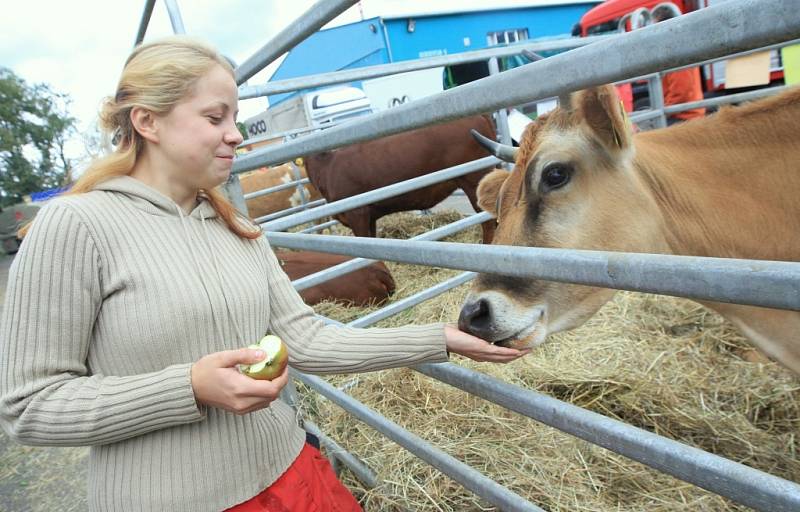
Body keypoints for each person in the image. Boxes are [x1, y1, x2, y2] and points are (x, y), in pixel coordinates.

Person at [0, 36, 528, 511]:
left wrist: (442, 338)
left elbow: (304, 339)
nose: (235, 136)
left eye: (235, 118)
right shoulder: (75, 226)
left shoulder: (235, 225)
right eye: (215, 118)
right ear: (147, 121)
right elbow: (28, 407)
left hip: (293, 478)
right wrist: (188, 388)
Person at [651, 5, 707, 125]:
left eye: (654, 26)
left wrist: (664, 110)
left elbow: (681, 90)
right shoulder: (679, 45)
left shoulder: (675, 51)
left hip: (684, 117)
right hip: (686, 113)